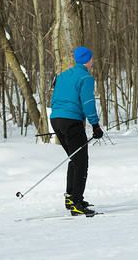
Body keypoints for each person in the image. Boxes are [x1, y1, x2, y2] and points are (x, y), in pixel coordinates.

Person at [50, 47, 103, 216]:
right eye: (92, 58)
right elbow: (88, 102)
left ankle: (71, 197)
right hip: (72, 121)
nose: (92, 61)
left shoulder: (62, 76)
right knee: (81, 162)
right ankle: (76, 204)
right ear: (88, 60)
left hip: (56, 119)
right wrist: (95, 125)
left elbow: (54, 99)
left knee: (74, 158)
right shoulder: (86, 77)